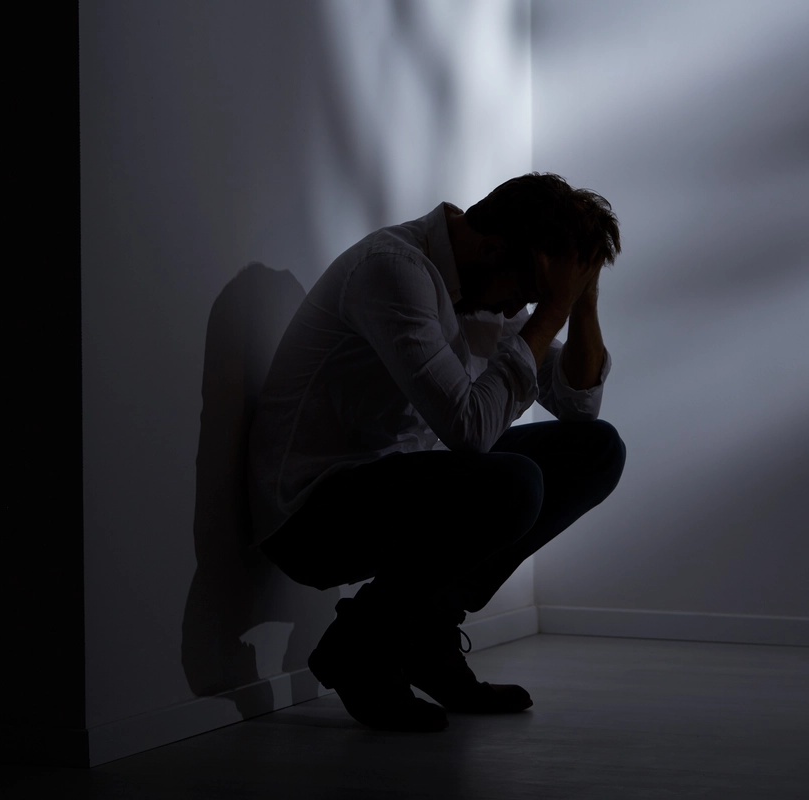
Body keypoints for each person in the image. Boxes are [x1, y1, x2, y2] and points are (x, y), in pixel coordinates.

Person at [246, 172, 627, 732]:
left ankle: (425, 634)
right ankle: (363, 647)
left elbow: (578, 409)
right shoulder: (393, 270)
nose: (523, 306)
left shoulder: (487, 281)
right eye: (529, 292)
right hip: (312, 515)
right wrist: (549, 314)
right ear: (495, 248)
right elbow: (470, 431)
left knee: (595, 450)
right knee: (511, 483)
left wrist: (582, 301)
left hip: (397, 488)